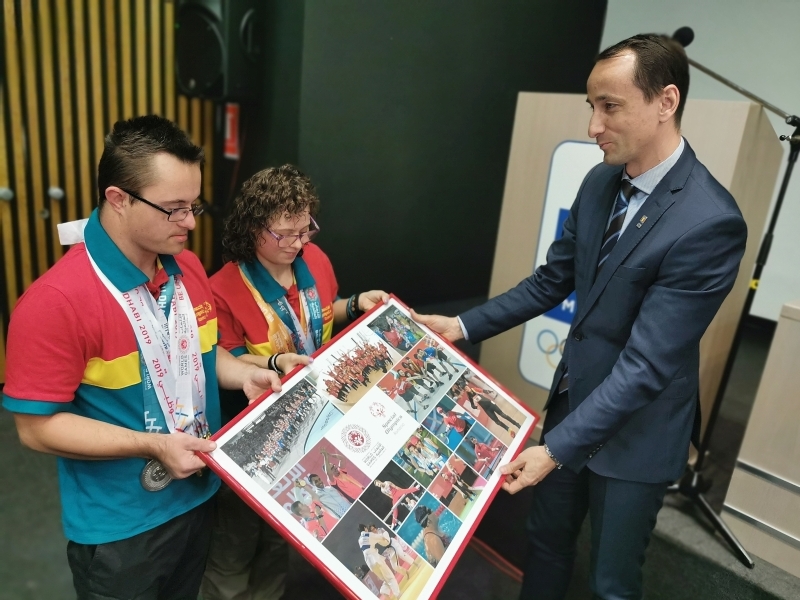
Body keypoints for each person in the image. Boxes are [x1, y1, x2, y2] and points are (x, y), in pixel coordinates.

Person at [412, 34, 748, 600]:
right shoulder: (599, 182)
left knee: (611, 582)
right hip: (571, 409)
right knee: (545, 545)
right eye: (591, 106)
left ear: (666, 102)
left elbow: (645, 366)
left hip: (637, 433)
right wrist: (462, 326)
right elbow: (552, 280)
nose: (594, 126)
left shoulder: (709, 221)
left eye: (610, 106)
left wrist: (555, 449)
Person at [1, 115, 286, 599]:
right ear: (118, 199)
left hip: (200, 492)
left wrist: (244, 374)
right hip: (122, 526)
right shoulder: (55, 302)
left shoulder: (187, 268)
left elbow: (201, 355)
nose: (190, 222)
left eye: (194, 205)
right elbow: (35, 428)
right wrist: (152, 445)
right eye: (174, 209)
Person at [203, 164, 388, 599]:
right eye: (284, 234)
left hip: (314, 427)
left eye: (305, 230)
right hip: (253, 438)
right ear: (252, 229)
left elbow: (322, 315)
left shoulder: (315, 260)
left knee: (278, 539)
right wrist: (274, 360)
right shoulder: (222, 288)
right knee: (233, 547)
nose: (298, 243)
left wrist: (355, 304)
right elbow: (224, 359)